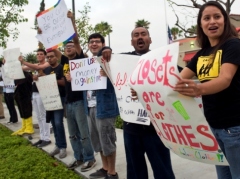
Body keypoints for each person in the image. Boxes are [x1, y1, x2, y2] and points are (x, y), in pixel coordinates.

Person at [174, 1, 240, 179]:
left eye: (217, 17)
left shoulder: (233, 45)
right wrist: (143, 89)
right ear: (201, 24)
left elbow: (225, 79)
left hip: (234, 128)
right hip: (212, 127)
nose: (212, 22)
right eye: (207, 18)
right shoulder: (202, 53)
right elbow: (177, 80)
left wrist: (197, 89)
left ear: (225, 21)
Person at [101, 27, 175, 179]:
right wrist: (107, 50)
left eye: (143, 34)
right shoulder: (121, 60)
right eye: (136, 35)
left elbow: (176, 80)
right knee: (135, 171)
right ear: (132, 41)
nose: (140, 37)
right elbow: (104, 59)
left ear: (150, 39)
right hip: (131, 128)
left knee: (163, 169)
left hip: (156, 128)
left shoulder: (162, 59)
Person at [52, 11, 96, 171]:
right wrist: (43, 33)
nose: (68, 48)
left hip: (79, 101)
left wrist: (71, 21)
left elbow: (76, 39)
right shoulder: (64, 60)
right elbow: (52, 47)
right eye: (66, 47)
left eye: (71, 46)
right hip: (68, 102)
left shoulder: (80, 59)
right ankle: (79, 157)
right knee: (72, 134)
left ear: (76, 49)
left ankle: (90, 158)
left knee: (84, 133)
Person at [83, 33, 119, 179]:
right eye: (91, 42)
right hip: (90, 106)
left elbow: (117, 76)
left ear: (103, 44)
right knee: (97, 140)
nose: (94, 44)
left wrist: (108, 52)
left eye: (97, 41)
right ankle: (104, 168)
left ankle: (112, 173)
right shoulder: (86, 63)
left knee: (107, 140)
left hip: (105, 107)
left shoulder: (108, 59)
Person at [20, 49, 51, 147]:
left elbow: (38, 67)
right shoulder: (35, 65)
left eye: (41, 54)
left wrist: (24, 61)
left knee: (44, 116)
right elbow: (23, 68)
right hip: (35, 92)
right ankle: (42, 137)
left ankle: (47, 138)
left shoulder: (46, 64)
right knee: (39, 117)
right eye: (37, 54)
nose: (39, 56)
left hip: (43, 92)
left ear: (45, 55)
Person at [41, 51, 67, 159]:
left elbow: (64, 82)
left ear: (56, 57)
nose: (49, 59)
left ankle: (63, 147)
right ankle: (58, 144)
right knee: (53, 122)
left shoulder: (61, 68)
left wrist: (52, 81)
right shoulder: (46, 70)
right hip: (49, 99)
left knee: (58, 122)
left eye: (51, 57)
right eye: (48, 58)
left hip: (59, 98)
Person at [12, 71, 34, 135]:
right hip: (19, 94)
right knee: (21, 110)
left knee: (26, 109)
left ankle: (29, 127)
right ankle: (24, 126)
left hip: (25, 95)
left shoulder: (26, 74)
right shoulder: (17, 75)